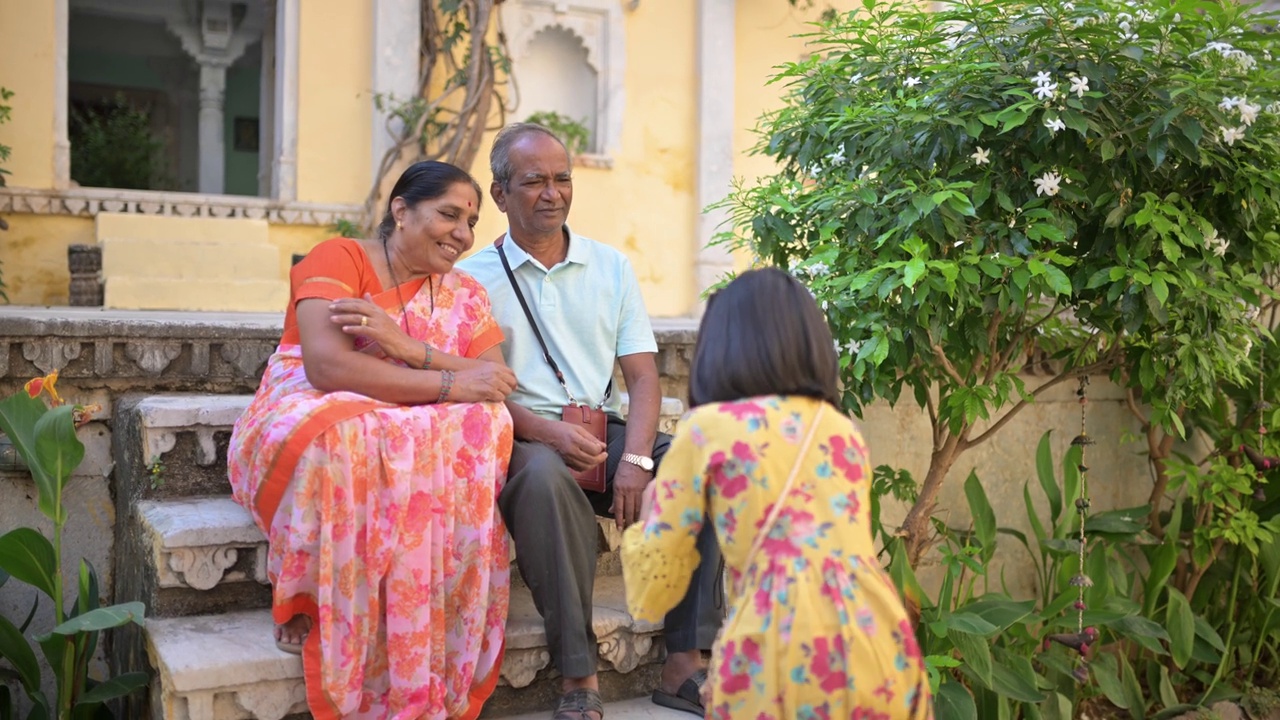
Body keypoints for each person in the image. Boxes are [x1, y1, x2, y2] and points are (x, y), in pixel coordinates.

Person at [227, 161, 518, 720]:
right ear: (401, 209)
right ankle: (313, 598)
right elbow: (327, 367)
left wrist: (407, 348)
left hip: (409, 402)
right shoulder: (341, 258)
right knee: (344, 434)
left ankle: (426, 603)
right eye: (449, 214)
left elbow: (495, 381)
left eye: (472, 220)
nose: (462, 232)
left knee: (484, 424)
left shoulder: (466, 293)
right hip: (317, 399)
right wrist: (449, 381)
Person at [458, 123, 722, 720]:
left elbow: (645, 378)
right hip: (522, 435)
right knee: (548, 482)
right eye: (533, 182)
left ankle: (686, 663)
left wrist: (636, 459)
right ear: (499, 194)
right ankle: (579, 674)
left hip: (602, 430)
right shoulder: (471, 280)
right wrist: (546, 432)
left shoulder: (609, 267)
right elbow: (480, 390)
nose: (552, 193)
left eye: (562, 179)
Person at [620, 268, 934, 720]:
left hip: (777, 648)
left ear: (720, 346)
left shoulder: (707, 430)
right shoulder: (841, 431)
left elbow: (652, 593)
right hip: (879, 643)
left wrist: (650, 518)